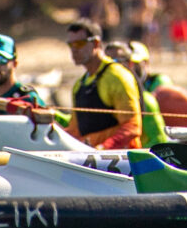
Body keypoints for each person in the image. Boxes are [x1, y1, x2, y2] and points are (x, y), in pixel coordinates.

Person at [58, 20, 145, 148]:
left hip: (120, 158)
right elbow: (74, 132)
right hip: (89, 156)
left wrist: (103, 148)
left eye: (79, 43)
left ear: (96, 43)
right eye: (70, 45)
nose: (74, 50)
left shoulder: (117, 76)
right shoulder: (79, 85)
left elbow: (132, 127)